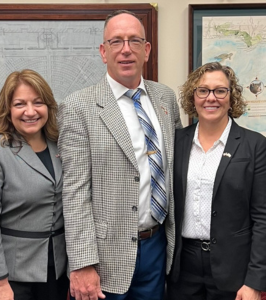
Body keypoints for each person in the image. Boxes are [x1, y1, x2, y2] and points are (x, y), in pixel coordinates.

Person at [58, 9, 182, 300]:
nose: (126, 50)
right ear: (103, 51)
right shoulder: (79, 107)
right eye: (116, 42)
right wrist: (83, 263)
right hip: (104, 256)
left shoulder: (165, 98)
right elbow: (75, 191)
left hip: (157, 247)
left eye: (134, 41)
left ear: (146, 50)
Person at [168, 62, 266, 300]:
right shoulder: (177, 142)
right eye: (203, 90)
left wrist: (255, 281)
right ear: (193, 97)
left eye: (220, 91)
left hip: (234, 271)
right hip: (183, 269)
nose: (211, 98)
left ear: (231, 96)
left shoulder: (254, 146)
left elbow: (264, 218)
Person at [0, 70, 69, 300]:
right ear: (8, 109)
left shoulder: (61, 146)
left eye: (38, 103)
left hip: (57, 273)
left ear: (48, 107)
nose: (30, 111)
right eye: (20, 104)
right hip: (10, 278)